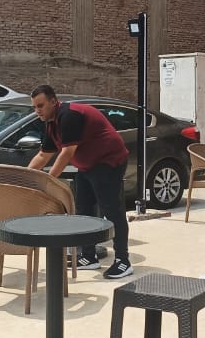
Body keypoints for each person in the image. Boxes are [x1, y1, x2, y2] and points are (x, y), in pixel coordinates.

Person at [27, 84, 133, 279]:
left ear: (53, 101)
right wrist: (25, 177)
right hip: (87, 165)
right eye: (34, 107)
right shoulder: (51, 124)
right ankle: (88, 256)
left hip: (108, 161)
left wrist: (48, 183)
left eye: (40, 106)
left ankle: (123, 261)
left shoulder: (69, 115)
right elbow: (43, 156)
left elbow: (67, 153)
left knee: (112, 210)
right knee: (83, 209)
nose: (37, 111)